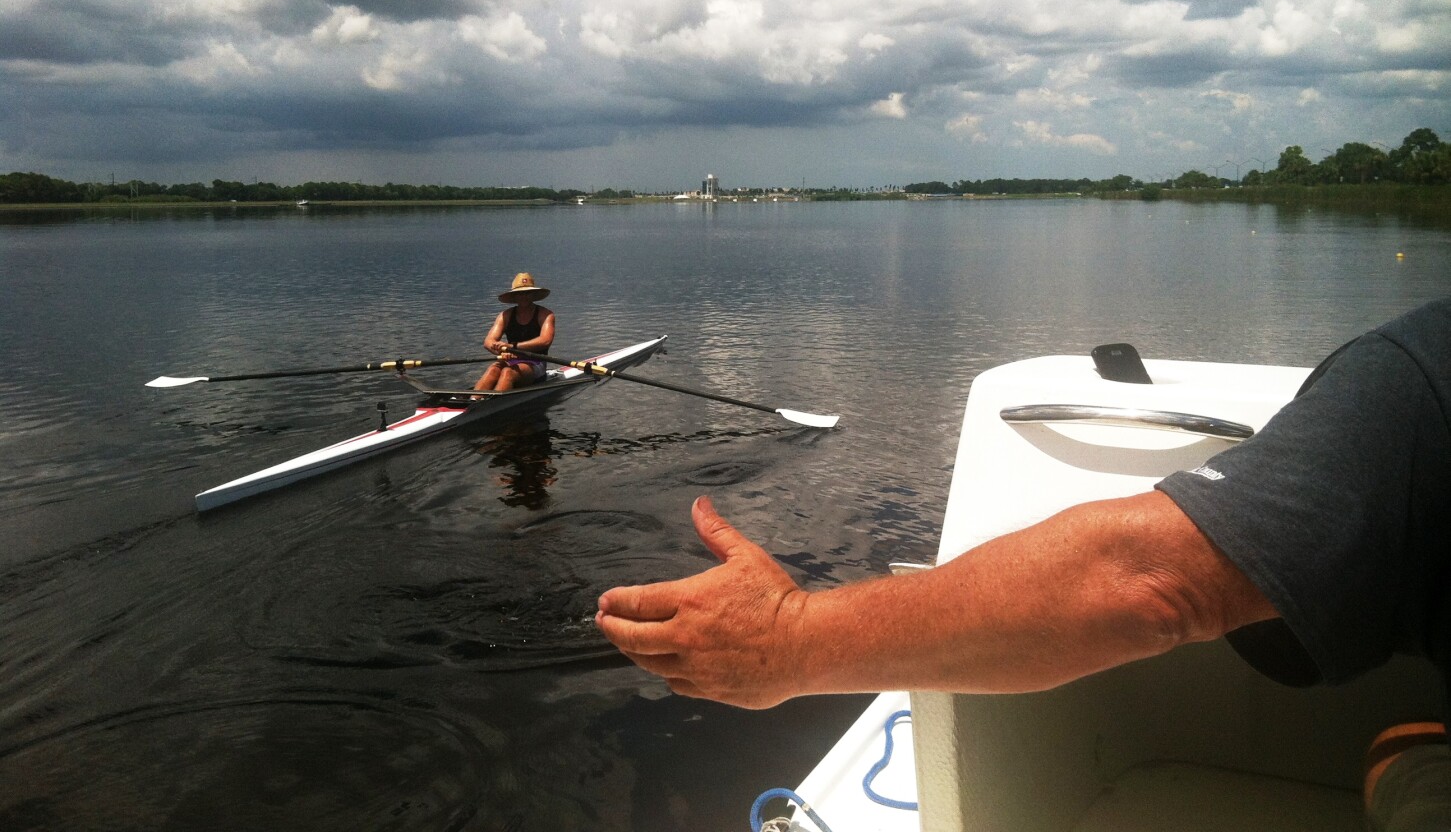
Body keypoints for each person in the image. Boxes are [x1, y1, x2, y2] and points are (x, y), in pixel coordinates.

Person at [595, 297, 1450, 826]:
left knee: (1400, 756)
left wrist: (790, 641)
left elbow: (1151, 588)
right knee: (1405, 744)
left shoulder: (1420, 376)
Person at [474, 272, 556, 393]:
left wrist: (512, 347)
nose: (524, 296)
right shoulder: (505, 316)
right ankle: (473, 400)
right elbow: (488, 342)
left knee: (508, 372)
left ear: (533, 295)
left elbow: (545, 341)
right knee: (493, 369)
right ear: (514, 297)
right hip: (512, 359)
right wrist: (500, 350)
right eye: (520, 293)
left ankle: (494, 405)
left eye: (527, 293)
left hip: (536, 362)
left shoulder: (546, 315)